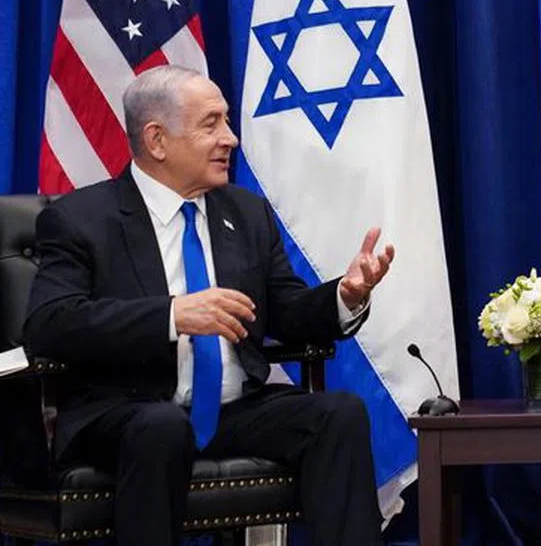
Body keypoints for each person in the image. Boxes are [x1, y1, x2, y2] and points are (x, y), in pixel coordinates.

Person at [23, 65, 392, 546]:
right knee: (161, 427)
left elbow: (287, 310)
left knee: (338, 413)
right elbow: (49, 324)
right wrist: (172, 316)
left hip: (233, 409)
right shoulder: (80, 219)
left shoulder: (246, 212)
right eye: (211, 124)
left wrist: (345, 295)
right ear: (157, 140)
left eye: (227, 122)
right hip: (127, 410)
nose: (231, 139)